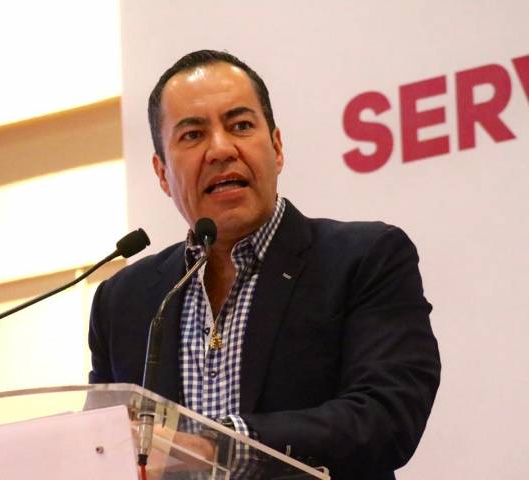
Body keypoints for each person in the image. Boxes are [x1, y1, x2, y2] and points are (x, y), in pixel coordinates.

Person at [88, 50, 440, 480]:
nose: (221, 149)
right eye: (193, 135)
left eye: (240, 126)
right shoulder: (123, 300)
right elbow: (102, 447)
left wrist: (216, 445)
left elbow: (386, 416)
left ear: (276, 147)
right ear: (162, 173)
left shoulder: (363, 259)